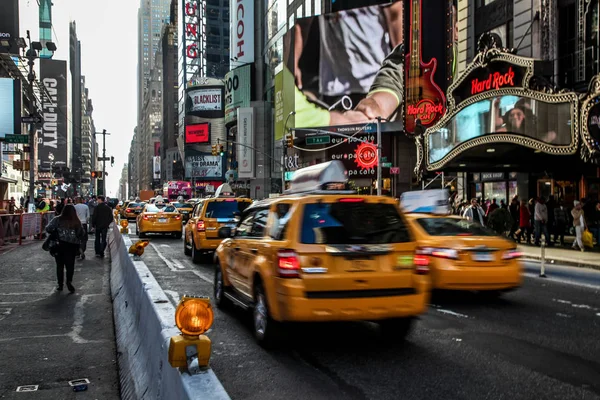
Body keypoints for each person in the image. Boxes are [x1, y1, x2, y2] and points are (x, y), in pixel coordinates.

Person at [46, 204, 85, 292]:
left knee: (59, 265)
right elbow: (81, 233)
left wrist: (56, 232)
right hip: (71, 246)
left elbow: (48, 228)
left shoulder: (57, 219)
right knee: (70, 265)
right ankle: (69, 281)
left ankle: (60, 284)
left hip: (59, 245)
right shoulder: (76, 221)